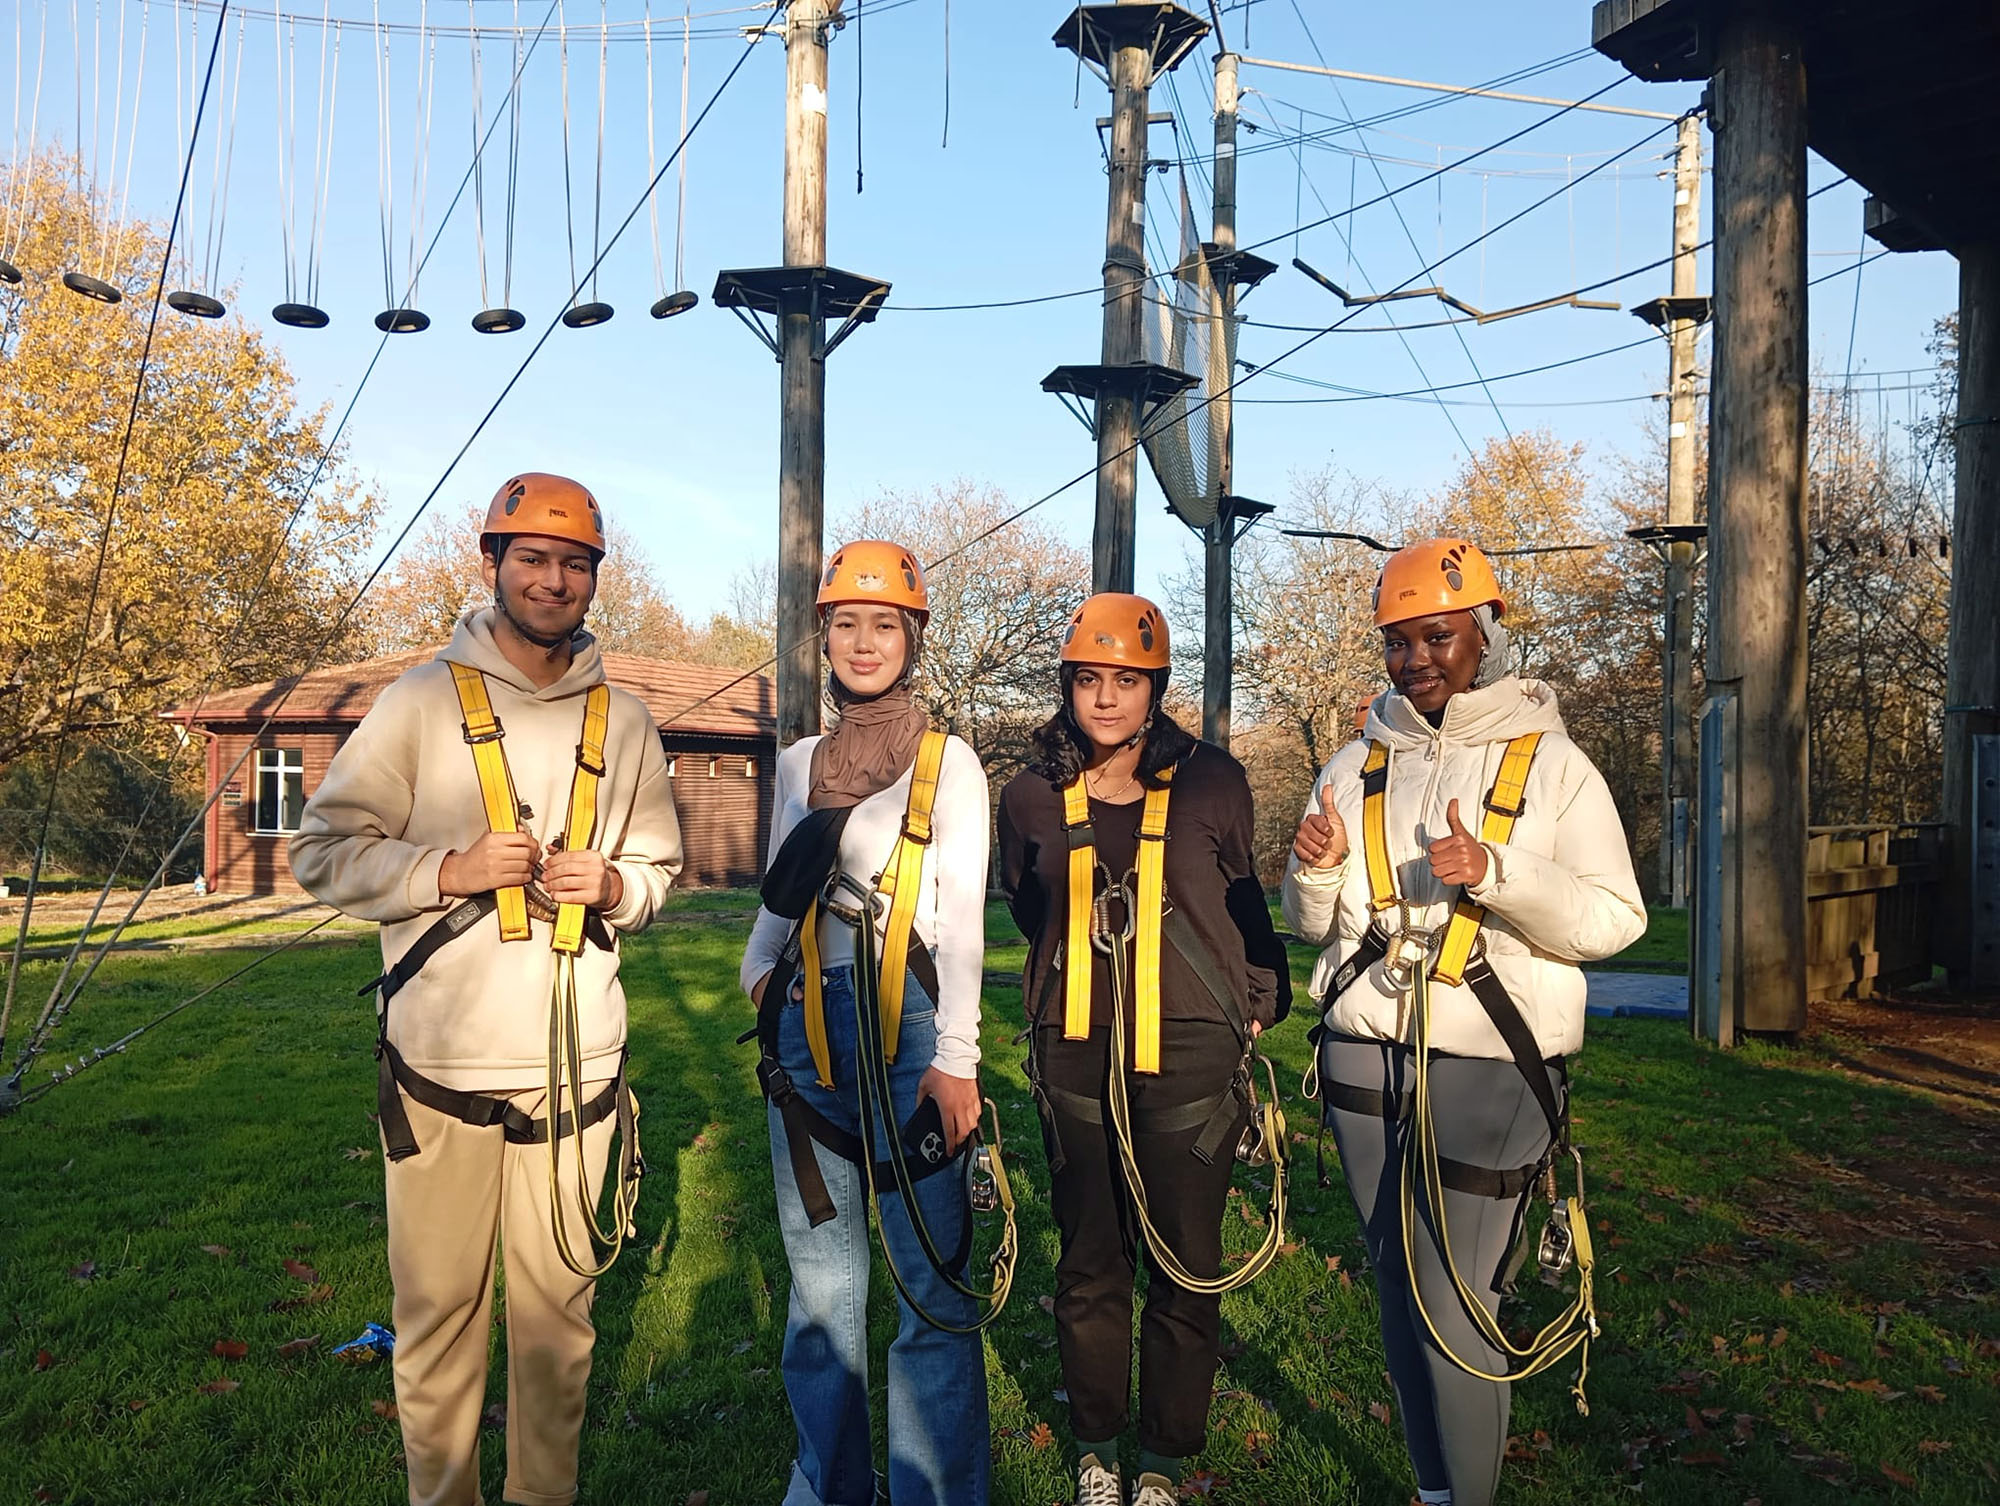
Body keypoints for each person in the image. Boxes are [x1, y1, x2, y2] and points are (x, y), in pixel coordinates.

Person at [289, 473, 684, 1506]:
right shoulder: (419, 703)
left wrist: (613, 885)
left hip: (576, 1072)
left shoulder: (627, 722)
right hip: (438, 1074)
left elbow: (658, 871)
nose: (552, 581)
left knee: (558, 1334)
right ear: (491, 564)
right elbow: (323, 850)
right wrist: (446, 871)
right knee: (436, 1327)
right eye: (533, 559)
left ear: (595, 578)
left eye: (573, 564)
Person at [1282, 538, 1645, 1506]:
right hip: (1363, 1052)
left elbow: (1616, 917)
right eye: (1396, 643)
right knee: (1398, 1292)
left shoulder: (1554, 765)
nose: (1413, 661)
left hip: (1489, 1062)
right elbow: (1310, 927)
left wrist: (1494, 873)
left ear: (1480, 633)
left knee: (1452, 1302)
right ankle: (1434, 1491)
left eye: (1433, 637)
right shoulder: (1354, 762)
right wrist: (1311, 870)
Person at [997, 593, 1290, 1506]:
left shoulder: (1213, 782)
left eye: (1128, 681)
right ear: (1068, 686)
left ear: (1156, 688)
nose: (1108, 699)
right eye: (1090, 679)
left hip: (1192, 1054)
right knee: (1089, 1261)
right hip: (1075, 1050)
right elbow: (1026, 904)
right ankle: (1095, 1449)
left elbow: (1243, 900)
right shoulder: (1029, 795)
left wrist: (1254, 1002)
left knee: (1183, 1264)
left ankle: (1162, 1459)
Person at [740, 540, 992, 1506]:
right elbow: (781, 887)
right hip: (808, 1029)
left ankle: (932, 1490)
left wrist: (959, 1060)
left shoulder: (948, 761)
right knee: (824, 1291)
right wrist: (757, 972)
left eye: (882, 624)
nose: (862, 642)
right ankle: (829, 1484)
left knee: (928, 1282)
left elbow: (962, 914)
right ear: (824, 638)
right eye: (845, 623)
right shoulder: (800, 760)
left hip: (915, 1032)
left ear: (912, 637)